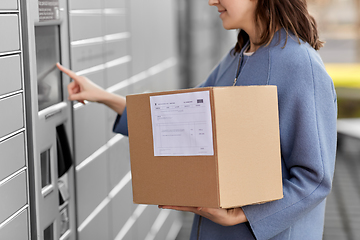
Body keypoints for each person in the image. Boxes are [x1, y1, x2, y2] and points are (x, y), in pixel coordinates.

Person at [57, 0, 337, 239]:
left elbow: (314, 179)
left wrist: (243, 213)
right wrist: (102, 96)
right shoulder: (234, 58)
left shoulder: (302, 66)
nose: (211, 1)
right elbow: (178, 121)